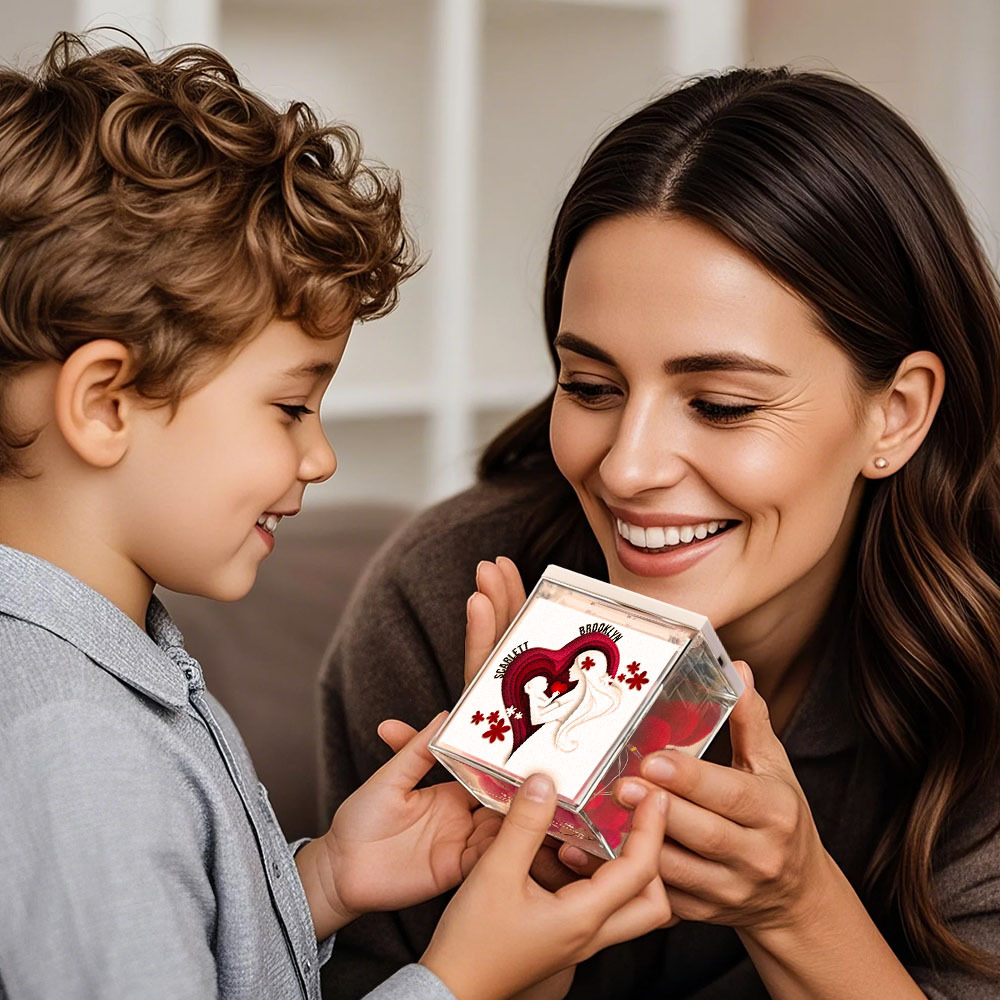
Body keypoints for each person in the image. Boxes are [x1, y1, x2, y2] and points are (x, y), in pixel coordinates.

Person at [0, 35, 677, 1000]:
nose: (319, 458)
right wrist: (457, 979)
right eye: (290, 408)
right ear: (105, 404)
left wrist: (319, 882)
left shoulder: (98, 675)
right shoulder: (77, 749)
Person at [320, 67, 1000, 998]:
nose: (627, 468)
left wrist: (797, 908)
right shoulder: (445, 598)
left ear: (898, 413)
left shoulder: (982, 671)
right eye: (591, 387)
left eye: (721, 404)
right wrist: (523, 914)